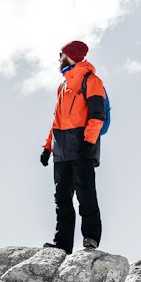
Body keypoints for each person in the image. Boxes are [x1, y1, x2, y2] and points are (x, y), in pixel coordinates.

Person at [39, 39, 107, 253]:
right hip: (61, 151)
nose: (58, 58)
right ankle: (62, 244)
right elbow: (56, 120)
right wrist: (47, 147)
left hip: (81, 147)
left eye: (61, 54)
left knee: (86, 195)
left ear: (69, 56)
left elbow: (98, 115)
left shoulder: (91, 80)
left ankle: (91, 238)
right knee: (62, 200)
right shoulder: (63, 86)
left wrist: (89, 142)